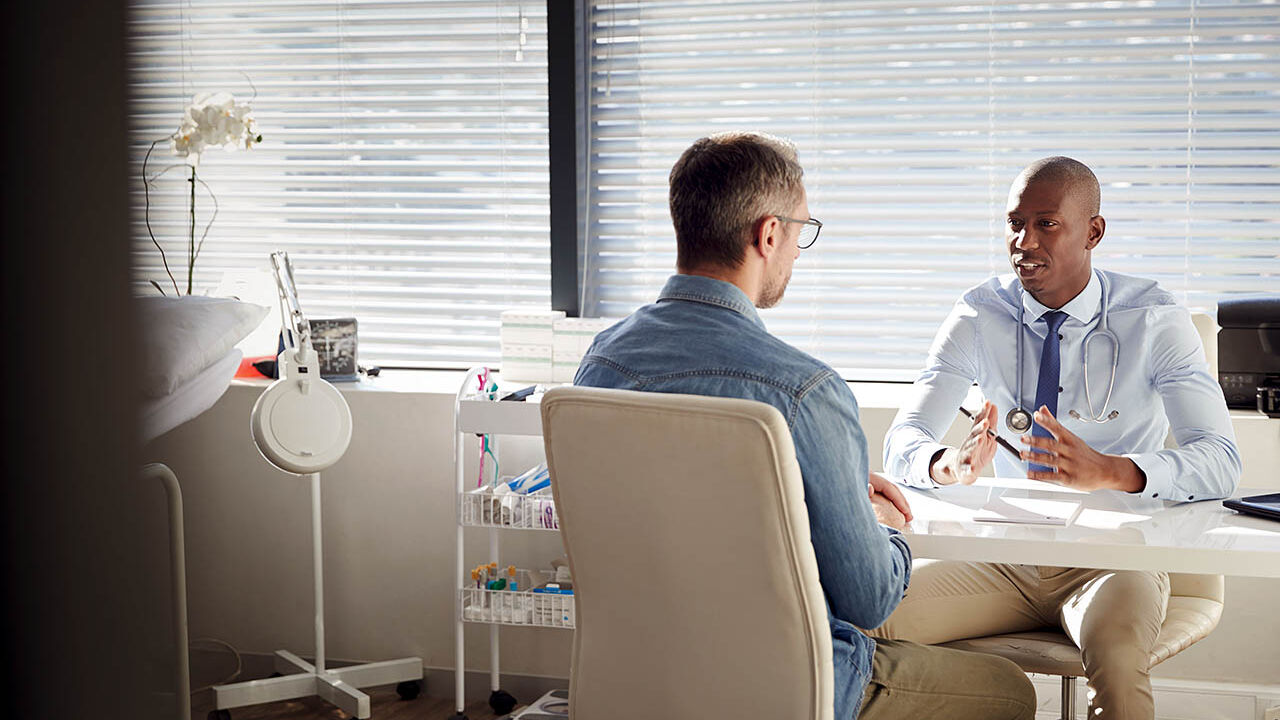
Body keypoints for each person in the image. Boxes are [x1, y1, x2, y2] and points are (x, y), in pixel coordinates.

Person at [575, 131, 1036, 720]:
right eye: (801, 232)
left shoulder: (602, 362)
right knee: (1009, 690)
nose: (797, 251)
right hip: (791, 685)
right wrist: (877, 518)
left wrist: (818, 483)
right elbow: (868, 599)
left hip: (638, 676)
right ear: (769, 233)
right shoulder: (804, 392)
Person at [881, 156, 1242, 720]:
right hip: (1003, 558)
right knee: (864, 618)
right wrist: (944, 464)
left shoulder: (1153, 318)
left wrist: (1114, 470)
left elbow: (1220, 461)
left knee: (1119, 666)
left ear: (1093, 232)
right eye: (1014, 223)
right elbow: (903, 439)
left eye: (1046, 223)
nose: (1023, 241)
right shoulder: (979, 311)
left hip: (1115, 558)